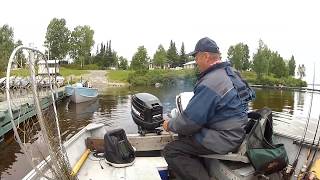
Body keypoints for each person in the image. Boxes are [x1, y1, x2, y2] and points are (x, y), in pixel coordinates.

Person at [162, 37, 255, 180]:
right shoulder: (232, 73)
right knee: (184, 136)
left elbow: (189, 123)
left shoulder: (211, 82)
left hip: (224, 139)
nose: (196, 62)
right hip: (237, 133)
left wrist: (170, 124)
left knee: (172, 150)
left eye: (196, 57)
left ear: (205, 56)